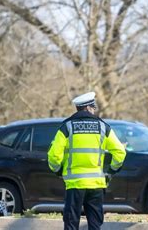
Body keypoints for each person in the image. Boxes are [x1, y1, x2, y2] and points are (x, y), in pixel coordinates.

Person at [48, 92, 126, 230]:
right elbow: (120, 153)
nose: (94, 110)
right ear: (89, 108)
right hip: (96, 184)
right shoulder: (103, 127)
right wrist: (111, 171)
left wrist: (58, 170)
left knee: (71, 223)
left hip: (74, 184)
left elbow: (54, 156)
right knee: (95, 224)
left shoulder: (67, 127)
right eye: (93, 107)